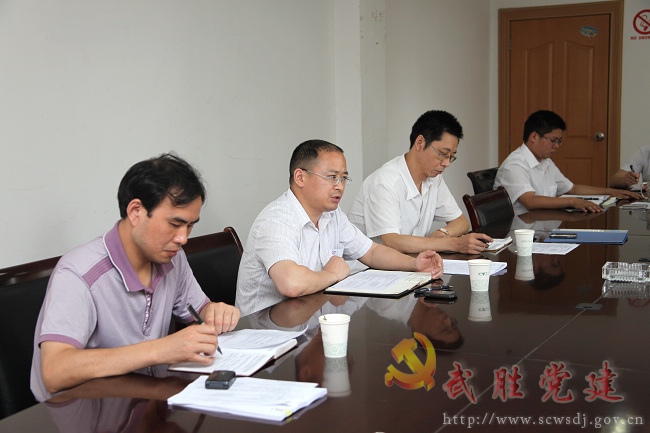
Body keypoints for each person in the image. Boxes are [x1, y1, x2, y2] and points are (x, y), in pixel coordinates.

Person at [31, 153, 240, 401]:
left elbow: (199, 311)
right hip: (77, 410)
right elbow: (55, 372)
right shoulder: (78, 274)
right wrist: (160, 349)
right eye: (175, 224)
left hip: (144, 400)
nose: (183, 238)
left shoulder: (173, 257)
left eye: (190, 225)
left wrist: (214, 312)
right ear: (136, 211)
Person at [235, 139, 444, 316]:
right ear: (300, 177)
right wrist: (333, 274)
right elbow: (291, 283)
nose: (340, 186)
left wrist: (414, 264)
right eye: (331, 177)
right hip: (265, 332)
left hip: (309, 320)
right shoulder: (276, 220)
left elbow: (371, 252)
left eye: (343, 178)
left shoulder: (331, 214)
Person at [348, 110, 492, 255]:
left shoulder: (434, 178)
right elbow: (392, 242)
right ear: (420, 143)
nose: (446, 163)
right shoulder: (385, 182)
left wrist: (443, 233)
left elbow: (461, 222)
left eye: (451, 156)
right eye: (443, 154)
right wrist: (453, 244)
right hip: (368, 267)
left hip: (412, 262)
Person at [494, 110, 641, 215]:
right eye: (553, 140)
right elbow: (530, 201)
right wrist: (573, 202)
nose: (556, 146)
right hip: (521, 232)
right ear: (534, 137)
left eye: (559, 141)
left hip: (542, 225)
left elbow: (572, 188)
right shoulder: (515, 165)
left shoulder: (546, 162)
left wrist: (611, 192)